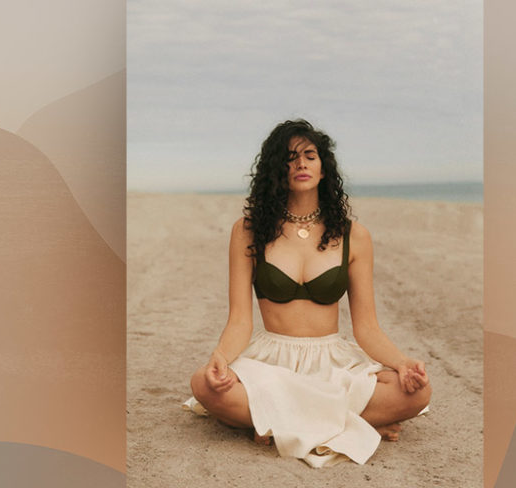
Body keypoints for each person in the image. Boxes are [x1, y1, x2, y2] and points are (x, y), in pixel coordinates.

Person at [184, 119, 431, 467]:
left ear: (324, 168)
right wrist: (220, 359)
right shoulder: (249, 231)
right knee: (203, 384)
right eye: (290, 157)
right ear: (276, 170)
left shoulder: (353, 236)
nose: (301, 163)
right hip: (270, 362)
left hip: (330, 362)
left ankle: (274, 424)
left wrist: (403, 364)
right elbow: (240, 319)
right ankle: (346, 423)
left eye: (310, 155)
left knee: (418, 391)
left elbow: (367, 327)